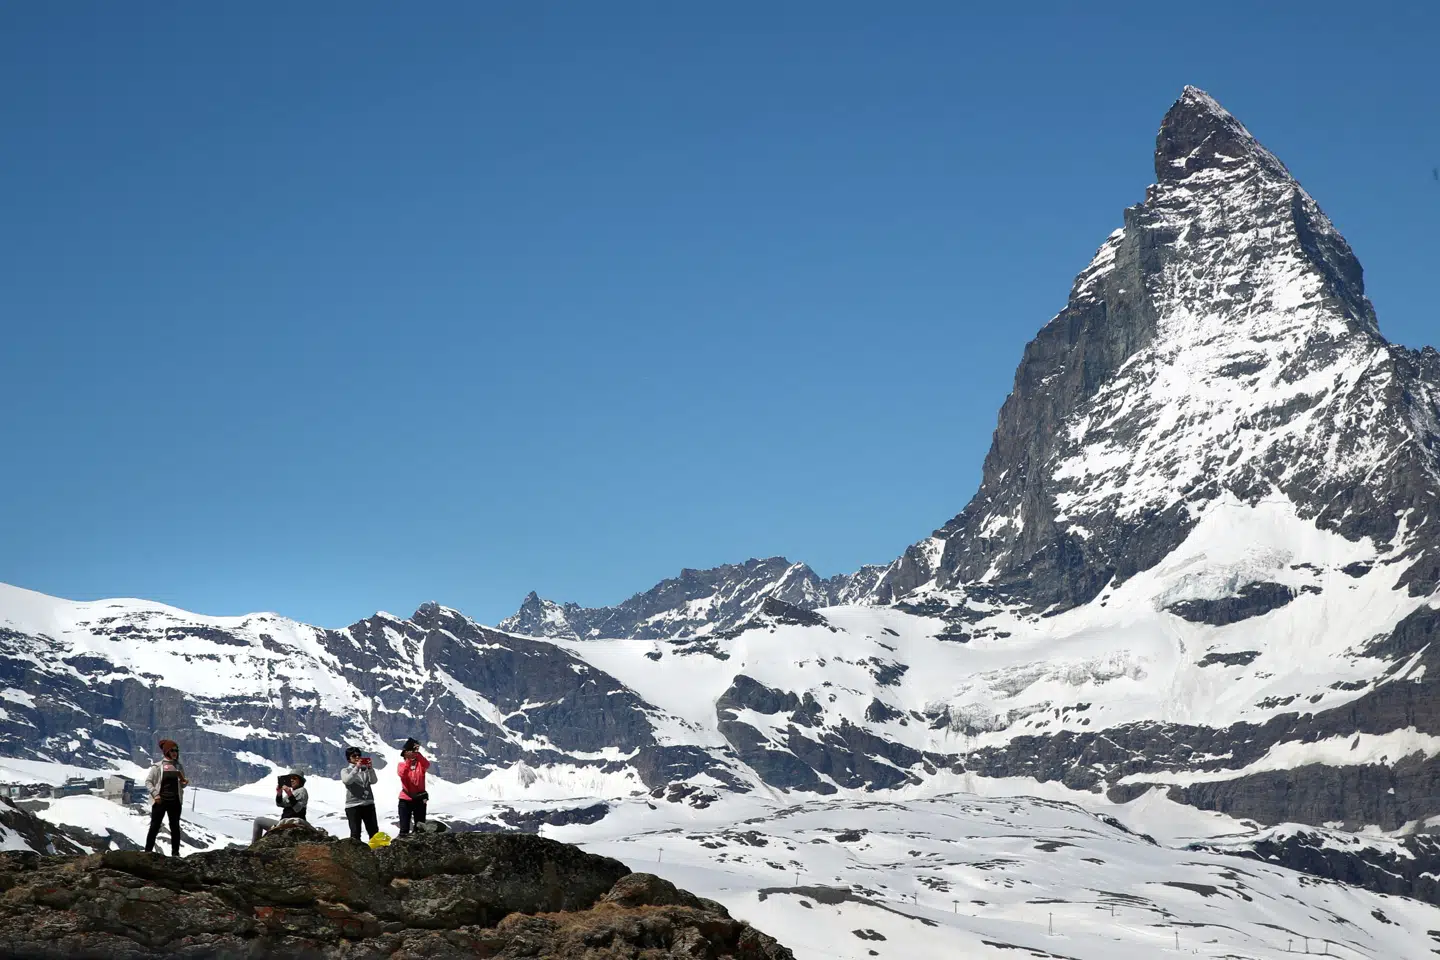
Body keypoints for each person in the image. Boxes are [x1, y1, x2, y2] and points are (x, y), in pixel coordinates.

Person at [144, 739, 188, 857]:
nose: (175, 753)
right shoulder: (158, 767)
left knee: (175, 827)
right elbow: (148, 782)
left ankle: (175, 853)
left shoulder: (178, 766)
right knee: (155, 826)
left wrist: (184, 783)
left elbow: (181, 784)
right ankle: (147, 851)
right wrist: (156, 795)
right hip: (160, 801)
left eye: (176, 750)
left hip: (175, 801)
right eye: (172, 750)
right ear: (167, 752)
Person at [251, 771, 308, 844]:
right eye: (290, 778)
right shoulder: (294, 792)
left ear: (300, 780)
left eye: (294, 778)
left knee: (258, 821)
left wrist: (290, 794)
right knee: (259, 821)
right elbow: (280, 804)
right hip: (285, 822)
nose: (291, 780)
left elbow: (297, 809)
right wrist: (279, 793)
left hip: (293, 822)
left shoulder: (302, 791)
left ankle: (253, 846)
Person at [340, 746, 380, 842]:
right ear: (349, 758)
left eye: (359, 755)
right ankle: (356, 854)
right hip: (353, 805)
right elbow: (347, 780)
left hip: (368, 804)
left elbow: (374, 781)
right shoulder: (345, 770)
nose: (357, 757)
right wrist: (356, 768)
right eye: (354, 756)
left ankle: (376, 851)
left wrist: (370, 769)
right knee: (355, 832)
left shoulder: (365, 769)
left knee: (373, 831)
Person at [396, 737, 430, 837]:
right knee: (404, 829)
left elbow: (427, 764)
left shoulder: (420, 765)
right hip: (405, 799)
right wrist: (408, 761)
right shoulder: (401, 765)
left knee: (420, 828)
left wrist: (417, 754)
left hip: (419, 798)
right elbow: (403, 774)